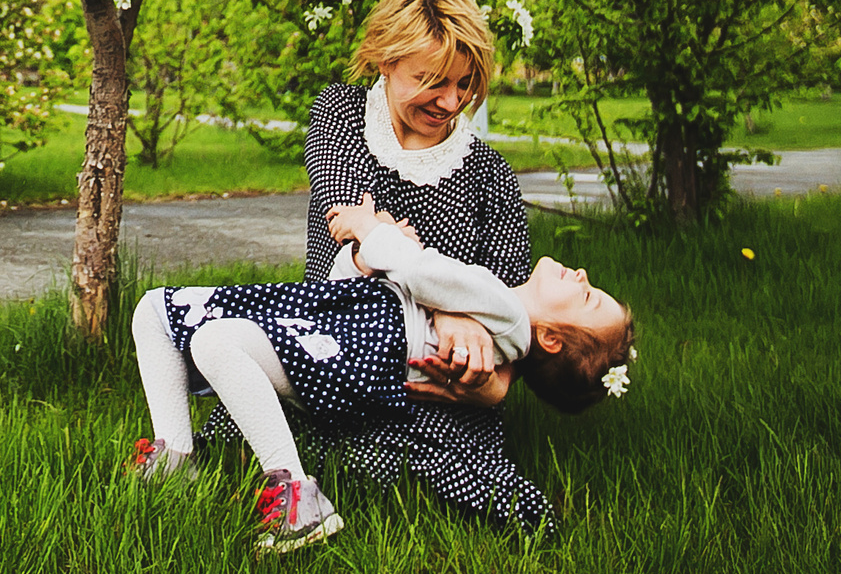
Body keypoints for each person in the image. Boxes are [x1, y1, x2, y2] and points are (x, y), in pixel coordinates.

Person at [200, 0, 566, 532]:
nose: (450, 101)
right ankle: (329, 470)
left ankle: (376, 466)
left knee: (509, 500)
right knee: (242, 425)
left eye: (464, 83)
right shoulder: (341, 116)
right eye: (431, 80)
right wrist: (453, 309)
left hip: (440, 391)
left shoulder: (490, 175)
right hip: (334, 349)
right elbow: (358, 239)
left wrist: (486, 380)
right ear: (384, 59)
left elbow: (512, 316)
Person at [127, 194, 634, 552]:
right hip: (330, 323)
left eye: (587, 298)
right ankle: (176, 461)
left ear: (549, 339)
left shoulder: (505, 309)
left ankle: (296, 497)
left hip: (348, 352)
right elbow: (363, 286)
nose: (584, 276)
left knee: (205, 337)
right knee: (156, 313)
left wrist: (372, 230)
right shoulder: (493, 303)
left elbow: (416, 273)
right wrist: (364, 258)